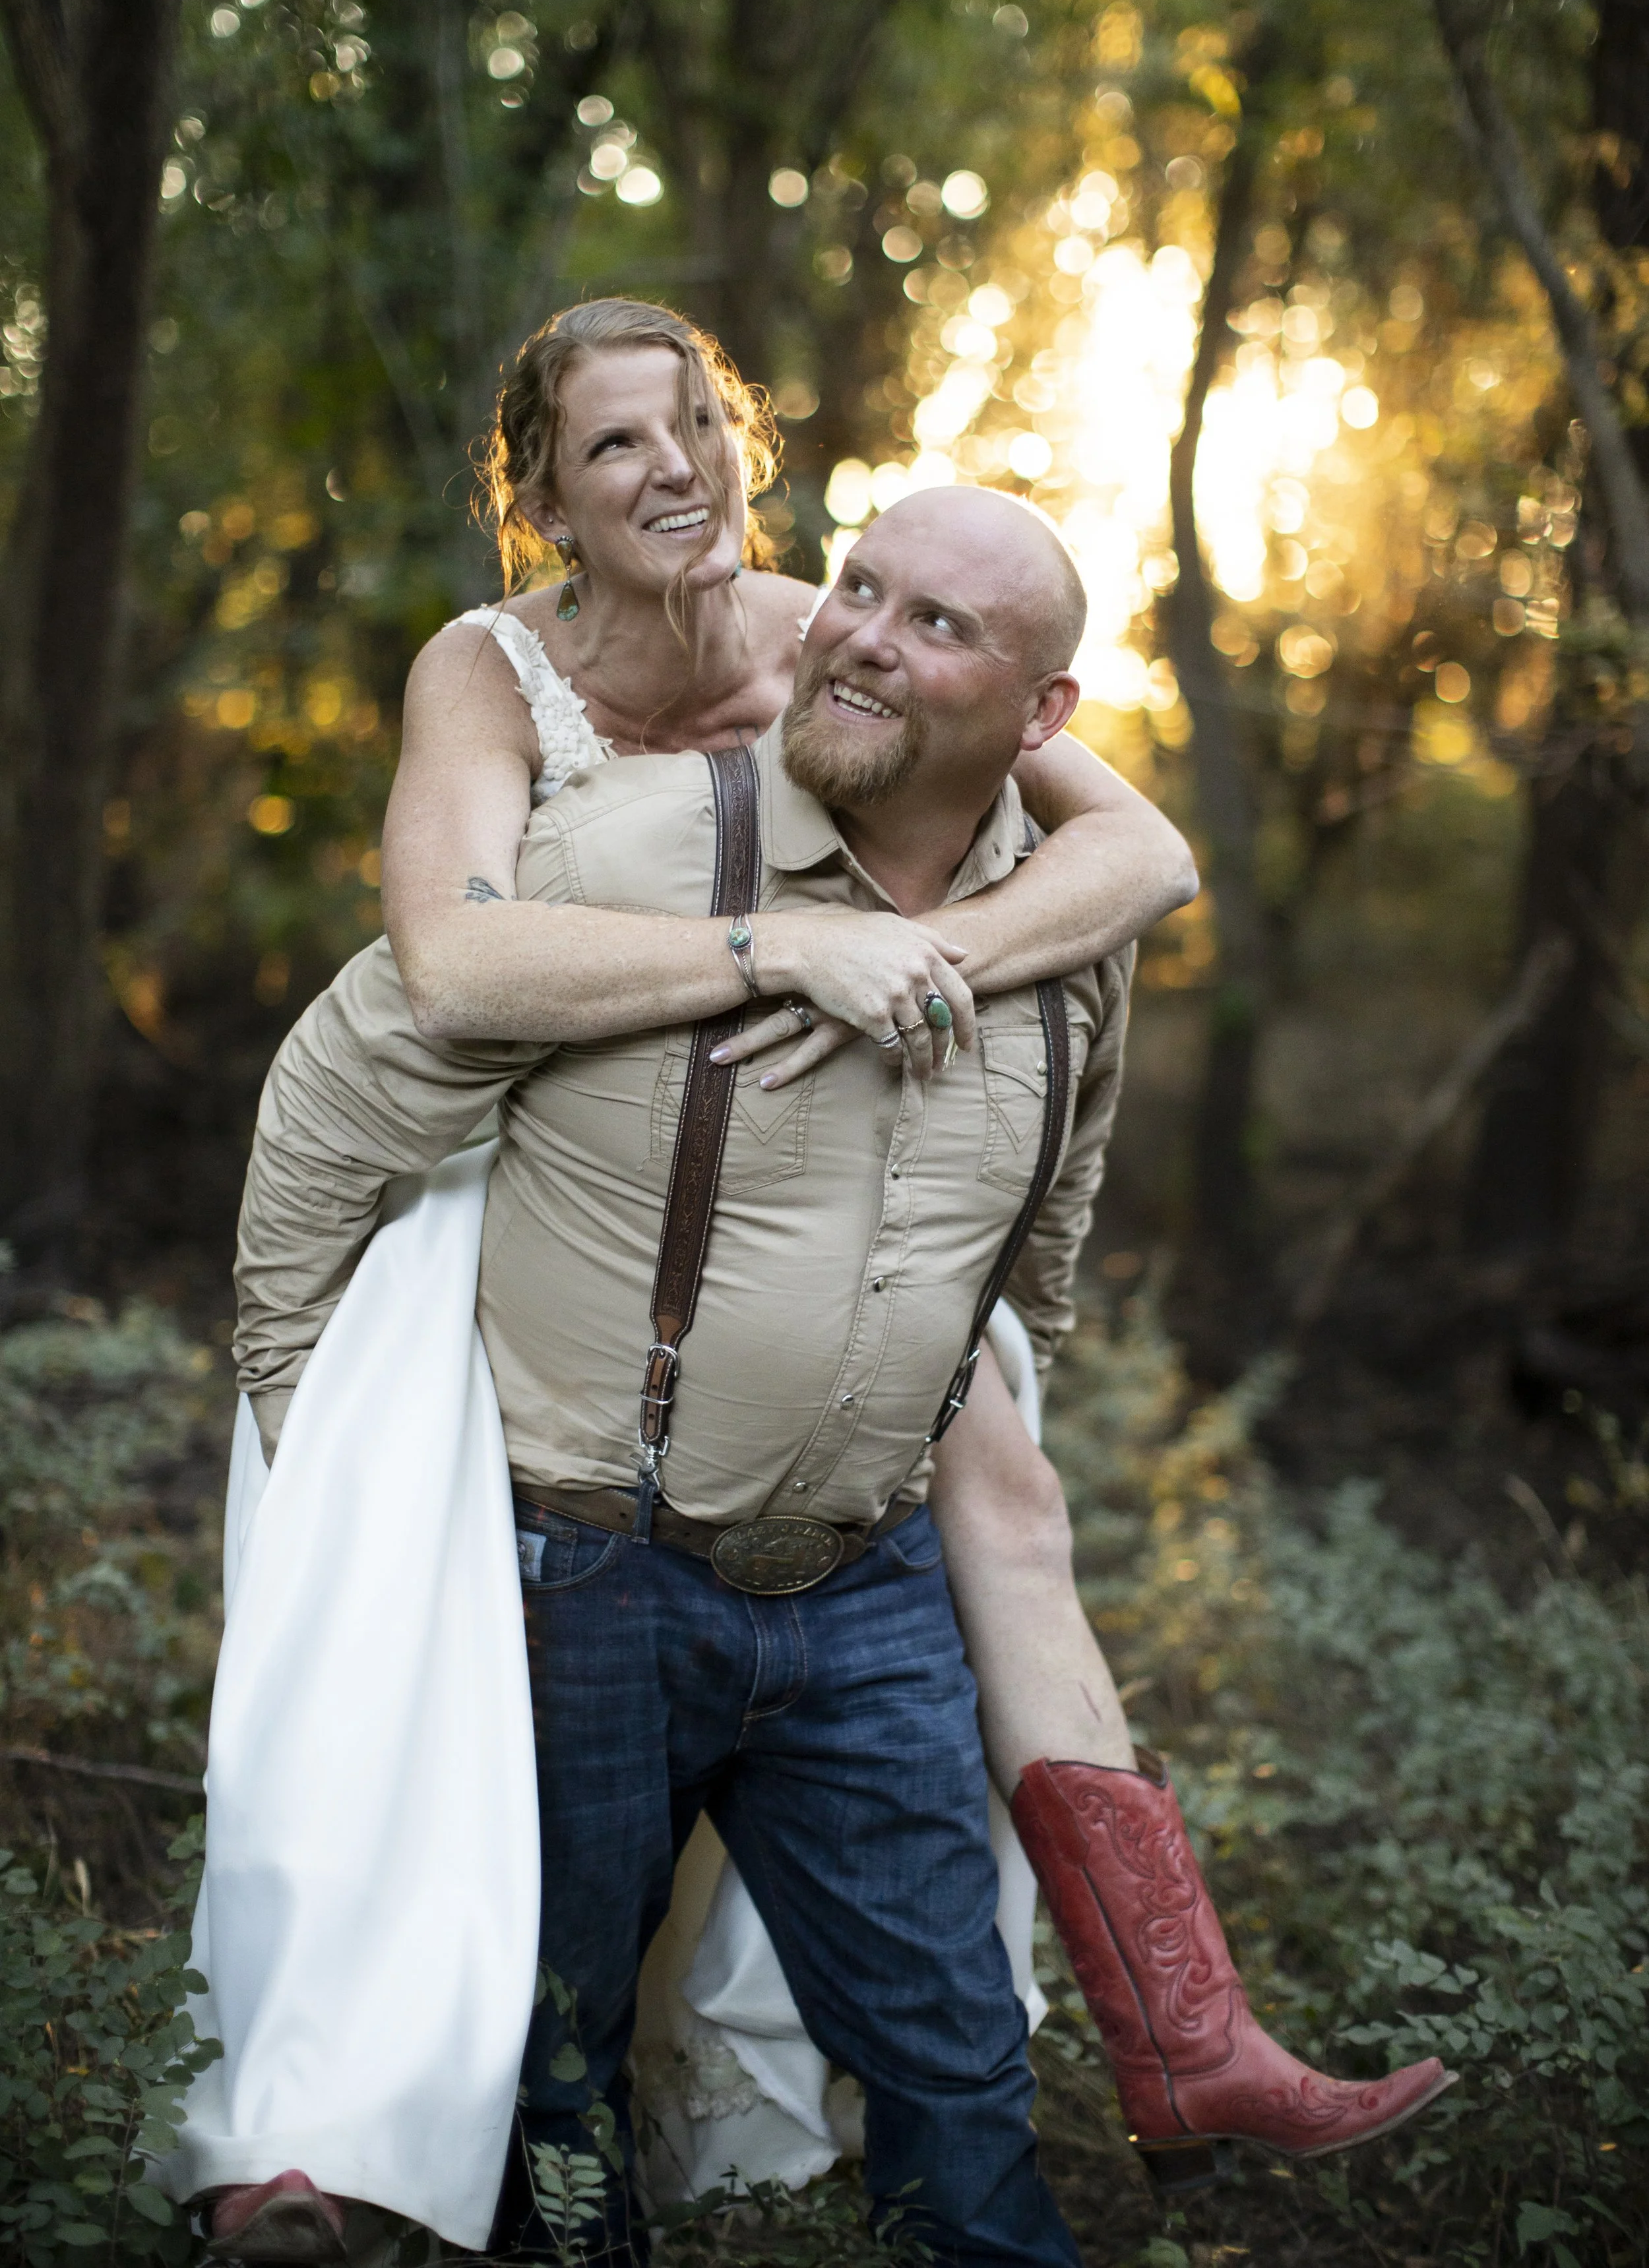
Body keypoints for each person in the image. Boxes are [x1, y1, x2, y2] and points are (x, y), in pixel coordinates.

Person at [197, 309, 1446, 2257]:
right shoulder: (502, 680)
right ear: (540, 501)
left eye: (693, 422)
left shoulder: (816, 621)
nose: (670, 468)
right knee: (468, 1849)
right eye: (612, 448)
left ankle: (1176, 2021)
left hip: (858, 1272)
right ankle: (328, 2122)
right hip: (555, 1210)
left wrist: (959, 979)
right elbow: (444, 971)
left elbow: (1137, 854)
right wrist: (781, 948)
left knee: (1005, 1497)